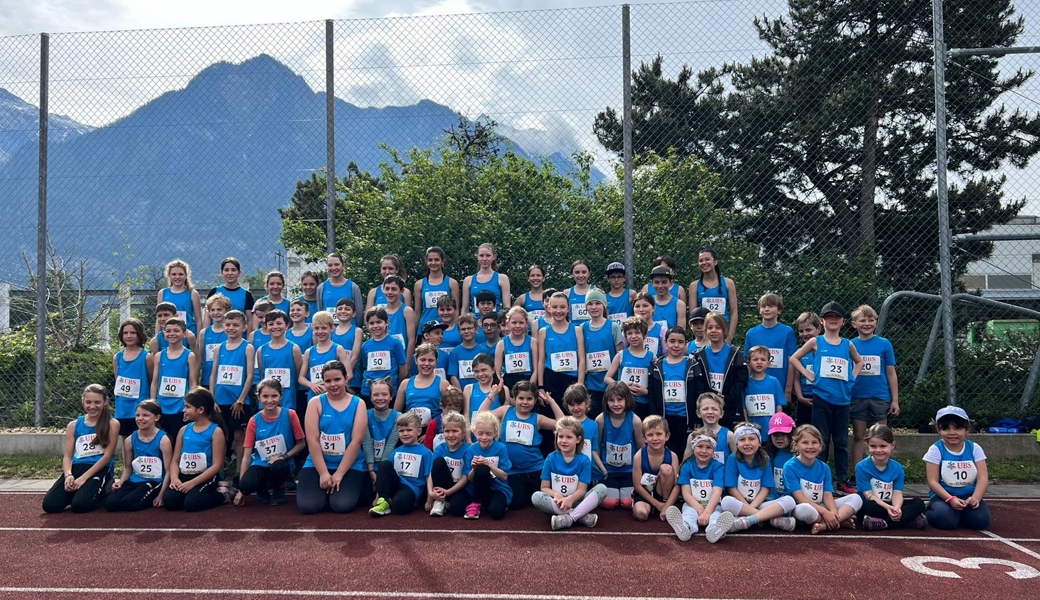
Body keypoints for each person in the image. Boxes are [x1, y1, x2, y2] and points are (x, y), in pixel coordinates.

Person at [790, 301, 863, 495]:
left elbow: (860, 362)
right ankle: (819, 479)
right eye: (829, 318)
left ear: (843, 322)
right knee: (819, 440)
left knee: (840, 441)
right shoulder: (816, 342)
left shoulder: (848, 344)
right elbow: (794, 358)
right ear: (822, 321)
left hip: (843, 400)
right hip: (822, 398)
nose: (833, 321)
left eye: (836, 318)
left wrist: (852, 379)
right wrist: (809, 375)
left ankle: (842, 480)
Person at [296, 361, 368, 514]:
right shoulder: (315, 402)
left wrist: (339, 473)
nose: (333, 384)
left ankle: (339, 491)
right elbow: (312, 440)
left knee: (342, 506)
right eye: (328, 381)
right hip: (318, 463)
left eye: (337, 379)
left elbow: (356, 441)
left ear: (346, 378)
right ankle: (324, 491)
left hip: (349, 465)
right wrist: (323, 473)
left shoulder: (358, 403)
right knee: (308, 507)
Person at [478, 381, 563, 510]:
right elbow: (481, 415)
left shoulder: (538, 418)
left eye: (529, 399)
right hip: (514, 472)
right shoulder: (505, 411)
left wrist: (551, 402)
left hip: (536, 470)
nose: (525, 402)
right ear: (514, 399)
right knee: (517, 503)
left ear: (535, 400)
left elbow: (563, 425)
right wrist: (492, 394)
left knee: (545, 500)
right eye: (521, 398)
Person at [42, 384, 120, 513]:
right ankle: (78, 492)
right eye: (88, 402)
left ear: (105, 402)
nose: (92, 406)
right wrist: (68, 475)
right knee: (50, 506)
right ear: (82, 400)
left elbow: (107, 456)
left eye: (97, 402)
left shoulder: (112, 424)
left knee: (80, 506)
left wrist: (84, 478)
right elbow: (67, 456)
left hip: (99, 468)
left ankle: (103, 488)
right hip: (78, 467)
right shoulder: (73, 425)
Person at [234, 378, 306, 506]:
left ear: (281, 396)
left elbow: (301, 444)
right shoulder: (254, 420)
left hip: (282, 463)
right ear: (259, 397)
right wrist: (241, 490)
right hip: (260, 463)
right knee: (245, 485)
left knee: (279, 466)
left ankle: (279, 489)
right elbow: (246, 456)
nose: (269, 400)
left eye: (274, 396)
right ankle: (262, 488)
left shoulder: (290, 415)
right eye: (265, 396)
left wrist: (283, 457)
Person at [849, 304, 899, 484]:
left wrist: (895, 400)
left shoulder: (884, 344)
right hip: (857, 396)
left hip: (880, 396)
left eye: (871, 320)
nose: (867, 323)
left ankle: (882, 471)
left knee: (881, 436)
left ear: (876, 323)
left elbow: (891, 372)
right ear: (854, 324)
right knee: (859, 436)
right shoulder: (850, 344)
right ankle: (857, 474)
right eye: (863, 320)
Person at [531, 416, 607, 530]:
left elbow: (582, 489)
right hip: (558, 503)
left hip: (577, 502)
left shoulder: (584, 460)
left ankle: (569, 518)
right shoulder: (551, 458)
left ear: (578, 439)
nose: (564, 440)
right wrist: (556, 495)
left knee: (602, 489)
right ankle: (580, 516)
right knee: (536, 497)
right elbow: (544, 488)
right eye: (560, 436)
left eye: (569, 437)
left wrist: (570, 499)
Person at [719, 422, 798, 532]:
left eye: (752, 439)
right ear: (736, 444)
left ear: (759, 442)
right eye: (742, 440)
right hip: (741, 504)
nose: (747, 443)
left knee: (789, 501)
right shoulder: (733, 459)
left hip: (761, 504)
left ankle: (746, 521)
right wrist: (748, 507)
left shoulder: (764, 458)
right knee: (726, 502)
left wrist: (753, 507)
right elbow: (732, 488)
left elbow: (765, 488)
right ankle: (770, 519)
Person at [784, 424, 863, 533]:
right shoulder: (789, 467)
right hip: (801, 507)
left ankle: (826, 525)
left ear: (820, 446)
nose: (810, 446)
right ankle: (839, 521)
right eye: (805, 442)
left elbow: (827, 495)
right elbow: (800, 498)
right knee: (805, 510)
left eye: (814, 442)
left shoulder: (824, 467)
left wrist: (833, 513)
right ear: (795, 445)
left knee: (856, 498)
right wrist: (826, 513)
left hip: (821, 505)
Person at [163, 387, 230, 512]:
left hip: (205, 477)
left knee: (192, 504)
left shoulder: (216, 431)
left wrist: (193, 483)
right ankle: (189, 492)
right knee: (170, 502)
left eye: (187, 407)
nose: (184, 410)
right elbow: (175, 460)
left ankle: (222, 495)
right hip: (184, 475)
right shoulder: (184, 430)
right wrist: (174, 478)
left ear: (200, 409)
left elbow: (217, 465)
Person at [923, 406, 990, 530]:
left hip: (969, 495)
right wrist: (950, 498)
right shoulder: (936, 450)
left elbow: (983, 478)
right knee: (947, 521)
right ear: (938, 429)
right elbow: (932, 481)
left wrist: (976, 498)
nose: (952, 433)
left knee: (981, 522)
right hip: (943, 497)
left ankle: (963, 514)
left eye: (958, 428)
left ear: (967, 430)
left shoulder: (975, 448)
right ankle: (926, 511)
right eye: (946, 428)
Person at [665, 428, 734, 543]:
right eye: (700, 446)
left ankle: (715, 530)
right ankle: (685, 527)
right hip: (693, 504)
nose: (704, 451)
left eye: (708, 447)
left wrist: (707, 512)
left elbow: (717, 491)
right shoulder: (687, 466)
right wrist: (699, 508)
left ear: (714, 450)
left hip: (713, 505)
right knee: (689, 514)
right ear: (693, 447)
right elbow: (686, 493)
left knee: (716, 515)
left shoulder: (718, 466)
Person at [104, 399, 172, 511]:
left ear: (156, 417)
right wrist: (121, 482)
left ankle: (149, 496)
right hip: (135, 480)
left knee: (129, 503)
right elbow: (128, 467)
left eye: (145, 415)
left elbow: (169, 470)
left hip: (154, 482)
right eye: (138, 415)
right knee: (110, 503)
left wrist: (161, 495)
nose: (140, 419)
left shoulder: (163, 440)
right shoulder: (130, 440)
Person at [856, 423, 926, 530]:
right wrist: (888, 508)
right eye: (873, 446)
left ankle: (884, 523)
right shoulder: (861, 467)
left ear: (892, 445)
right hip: (874, 505)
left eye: (883, 446)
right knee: (866, 505)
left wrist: (897, 508)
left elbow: (897, 493)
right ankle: (907, 521)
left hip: (890, 504)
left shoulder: (897, 468)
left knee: (919, 504)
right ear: (867, 445)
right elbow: (868, 495)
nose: (878, 450)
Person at [209, 309, 255, 464]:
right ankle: (219, 471)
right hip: (221, 400)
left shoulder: (247, 347)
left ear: (244, 327)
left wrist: (241, 399)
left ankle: (239, 471)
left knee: (238, 435)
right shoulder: (219, 348)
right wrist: (212, 399)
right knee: (221, 436)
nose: (231, 328)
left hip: (239, 401)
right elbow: (213, 374)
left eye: (236, 325)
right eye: (228, 324)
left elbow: (250, 375)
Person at [370, 412, 434, 516]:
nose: (405, 434)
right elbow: (384, 474)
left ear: (419, 431)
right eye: (401, 431)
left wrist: (429, 500)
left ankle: (395, 502)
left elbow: (429, 477)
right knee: (384, 464)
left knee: (400, 506)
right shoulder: (396, 451)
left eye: (409, 430)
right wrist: (377, 497)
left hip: (412, 489)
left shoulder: (426, 453)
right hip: (396, 484)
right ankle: (384, 500)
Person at [689, 312, 747, 429]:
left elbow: (741, 380)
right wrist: (713, 397)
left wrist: (727, 397)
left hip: (730, 407)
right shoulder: (698, 356)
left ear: (725, 330)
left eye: (718, 327)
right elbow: (697, 383)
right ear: (705, 330)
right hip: (707, 407)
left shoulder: (734, 354)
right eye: (710, 328)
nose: (714, 330)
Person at [648, 326, 696, 457]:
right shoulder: (657, 366)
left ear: (686, 344)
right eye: (672, 341)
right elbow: (652, 394)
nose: (676, 345)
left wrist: (695, 418)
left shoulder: (693, 365)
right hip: (664, 418)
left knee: (684, 453)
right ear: (665, 342)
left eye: (680, 342)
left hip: (685, 419)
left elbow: (698, 392)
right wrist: (655, 416)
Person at [596, 381, 644, 510]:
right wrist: (598, 471)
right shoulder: (600, 420)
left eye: (620, 400)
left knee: (628, 503)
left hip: (629, 471)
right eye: (611, 400)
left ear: (627, 400)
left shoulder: (635, 420)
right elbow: (597, 447)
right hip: (608, 471)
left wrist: (640, 473)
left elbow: (641, 449)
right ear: (606, 402)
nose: (616, 404)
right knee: (609, 503)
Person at [150, 317, 199, 437]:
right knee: (163, 439)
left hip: (180, 407)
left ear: (185, 334)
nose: (172, 334)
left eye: (176, 331)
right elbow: (155, 381)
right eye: (168, 331)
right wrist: (153, 402)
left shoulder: (189, 355)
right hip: (162, 406)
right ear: (164, 333)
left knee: (179, 438)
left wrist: (190, 406)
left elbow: (193, 383)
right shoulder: (159, 356)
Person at [537, 291, 585, 410]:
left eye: (562, 307)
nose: (559, 311)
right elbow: (541, 361)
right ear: (549, 308)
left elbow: (582, 359)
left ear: (568, 308)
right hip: (551, 379)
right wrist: (540, 386)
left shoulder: (577, 330)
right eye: (555, 307)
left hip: (571, 380)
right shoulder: (543, 332)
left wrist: (580, 383)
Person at [744, 293, 797, 399]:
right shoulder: (751, 333)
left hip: (780, 388)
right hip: (756, 390)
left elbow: (791, 362)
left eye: (771, 306)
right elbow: (748, 363)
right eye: (763, 306)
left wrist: (788, 389)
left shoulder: (787, 332)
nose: (767, 309)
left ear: (779, 310)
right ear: (759, 310)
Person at [462, 410, 512, 520]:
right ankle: (477, 503)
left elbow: (504, 476)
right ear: (474, 432)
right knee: (456, 507)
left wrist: (489, 464)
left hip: (498, 488)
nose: (484, 437)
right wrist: (474, 469)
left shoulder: (501, 448)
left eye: (488, 434)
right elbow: (469, 478)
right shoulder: (471, 450)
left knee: (497, 514)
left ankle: (490, 504)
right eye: (480, 433)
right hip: (477, 489)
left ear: (495, 432)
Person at [256, 310, 304, 423]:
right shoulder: (261, 350)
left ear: (287, 325)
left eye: (279, 323)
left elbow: (298, 374)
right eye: (271, 324)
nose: (275, 327)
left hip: (288, 401)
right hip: (266, 403)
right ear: (266, 327)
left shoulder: (294, 348)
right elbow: (263, 374)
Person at [631, 415, 680, 523]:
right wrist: (656, 504)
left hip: (662, 493)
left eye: (659, 434)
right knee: (641, 514)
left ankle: (665, 505)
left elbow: (677, 485)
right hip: (645, 493)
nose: (655, 438)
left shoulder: (673, 456)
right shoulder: (639, 456)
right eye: (650, 435)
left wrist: (666, 506)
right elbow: (637, 486)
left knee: (666, 468)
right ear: (644, 438)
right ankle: (656, 508)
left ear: (667, 436)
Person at [582, 289, 623, 416]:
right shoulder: (582, 328)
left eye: (597, 303)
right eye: (590, 304)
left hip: (610, 383)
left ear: (604, 305)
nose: (594, 307)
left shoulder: (613, 326)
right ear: (586, 307)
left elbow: (621, 355)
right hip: (592, 384)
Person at [605, 317, 653, 419]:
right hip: (624, 404)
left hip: (644, 404)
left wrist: (645, 391)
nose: (633, 336)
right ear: (625, 336)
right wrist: (622, 386)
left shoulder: (652, 357)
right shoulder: (621, 355)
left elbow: (656, 385)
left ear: (645, 335)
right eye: (630, 333)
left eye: (637, 332)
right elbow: (607, 378)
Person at [357, 307, 408, 403]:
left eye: (379, 322)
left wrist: (396, 386)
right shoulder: (365, 346)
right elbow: (365, 366)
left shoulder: (395, 343)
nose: (375, 326)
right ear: (367, 325)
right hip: (368, 391)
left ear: (387, 322)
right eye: (372, 323)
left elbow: (403, 369)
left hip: (389, 391)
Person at [112, 318, 152, 438]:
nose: (129, 336)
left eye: (133, 332)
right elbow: (117, 379)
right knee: (126, 439)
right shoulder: (117, 357)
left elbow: (151, 380)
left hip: (140, 406)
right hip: (123, 407)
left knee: (142, 437)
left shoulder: (147, 357)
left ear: (139, 334)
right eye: (125, 333)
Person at [428, 410, 472, 517]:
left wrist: (448, 492)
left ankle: (447, 501)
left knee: (457, 509)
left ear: (463, 433)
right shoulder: (440, 449)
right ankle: (440, 501)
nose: (451, 435)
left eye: (455, 431)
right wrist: (430, 494)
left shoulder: (469, 450)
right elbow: (430, 474)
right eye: (447, 431)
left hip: (461, 488)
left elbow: (465, 478)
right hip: (444, 486)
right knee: (438, 462)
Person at [689, 249, 738, 343]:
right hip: (704, 335)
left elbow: (734, 312)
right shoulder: (694, 286)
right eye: (701, 260)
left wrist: (729, 337)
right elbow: (693, 314)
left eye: (707, 259)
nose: (704, 263)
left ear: (715, 261)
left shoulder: (728, 283)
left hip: (723, 333)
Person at [563, 384, 607, 483]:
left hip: (587, 471)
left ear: (587, 403)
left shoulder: (593, 425)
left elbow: (594, 451)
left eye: (579, 404)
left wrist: (601, 469)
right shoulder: (565, 424)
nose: (575, 408)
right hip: (569, 471)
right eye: (572, 404)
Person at [397, 343, 450, 427]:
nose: (426, 364)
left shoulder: (443, 384)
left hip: (434, 432)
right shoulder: (405, 384)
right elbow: (397, 414)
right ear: (416, 360)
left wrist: (430, 433)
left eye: (431, 360)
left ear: (436, 362)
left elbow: (449, 415)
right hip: (410, 433)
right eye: (422, 360)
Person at [364, 378, 400, 492]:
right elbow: (366, 443)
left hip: (387, 465)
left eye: (384, 394)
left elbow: (391, 444)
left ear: (391, 397)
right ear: (370, 397)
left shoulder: (398, 417)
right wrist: (371, 470)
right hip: (367, 464)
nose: (380, 398)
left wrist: (381, 472)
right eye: (376, 395)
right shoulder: (364, 415)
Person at [682, 392, 735, 467]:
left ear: (721, 414)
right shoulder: (693, 436)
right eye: (705, 409)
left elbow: (738, 461)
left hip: (721, 477)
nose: (710, 412)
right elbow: (685, 463)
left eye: (714, 409)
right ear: (698, 413)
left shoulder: (729, 435)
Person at [743, 345, 787, 435]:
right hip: (752, 429)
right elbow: (744, 407)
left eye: (763, 359)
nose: (759, 362)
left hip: (771, 428)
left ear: (769, 363)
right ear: (748, 362)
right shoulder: (745, 383)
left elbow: (779, 406)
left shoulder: (774, 382)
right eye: (755, 359)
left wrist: (777, 425)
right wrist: (747, 424)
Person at [415, 247, 460, 334]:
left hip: (446, 328)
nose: (433, 263)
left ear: (443, 261)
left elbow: (456, 310)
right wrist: (416, 332)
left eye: (436, 260)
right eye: (430, 260)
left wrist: (454, 329)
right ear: (426, 262)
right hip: (425, 329)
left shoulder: (452, 283)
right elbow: (417, 312)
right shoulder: (419, 284)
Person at [204, 257, 255, 331]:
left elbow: (250, 320)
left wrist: (249, 338)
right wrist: (205, 334)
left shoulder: (246, 295)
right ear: (222, 272)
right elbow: (207, 316)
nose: (230, 273)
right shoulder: (214, 291)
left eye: (233, 270)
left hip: (238, 337)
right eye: (226, 270)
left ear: (239, 273)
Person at [496, 306, 537, 391]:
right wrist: (504, 390)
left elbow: (536, 370)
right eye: (514, 323)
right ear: (508, 323)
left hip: (528, 381)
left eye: (521, 323)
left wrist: (530, 388)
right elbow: (497, 372)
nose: (517, 326)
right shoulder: (501, 344)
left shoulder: (533, 342)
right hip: (509, 383)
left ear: (526, 323)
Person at [157, 259, 202, 336]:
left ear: (186, 275)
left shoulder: (192, 293)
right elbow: (158, 318)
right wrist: (157, 337)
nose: (177, 277)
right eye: (174, 274)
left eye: (180, 274)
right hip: (169, 335)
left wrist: (198, 339)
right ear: (169, 276)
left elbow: (199, 320)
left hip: (187, 335)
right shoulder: (163, 293)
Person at [792, 312, 822, 426]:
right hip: (805, 397)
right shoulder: (799, 354)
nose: (805, 334)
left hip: (822, 396)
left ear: (818, 329)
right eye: (801, 331)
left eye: (808, 330)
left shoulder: (825, 349)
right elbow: (796, 379)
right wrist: (800, 397)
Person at [462, 243, 510, 314]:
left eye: (488, 255)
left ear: (494, 257)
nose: (484, 259)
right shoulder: (468, 280)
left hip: (495, 321)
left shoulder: (502, 278)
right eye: (481, 255)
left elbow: (507, 308)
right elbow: (465, 309)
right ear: (477, 257)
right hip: (475, 323)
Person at [317, 253, 364, 325]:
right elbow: (320, 311)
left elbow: (359, 313)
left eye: (336, 264)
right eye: (330, 265)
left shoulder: (353, 287)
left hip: (349, 331)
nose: (333, 268)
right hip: (329, 333)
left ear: (343, 266)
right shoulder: (321, 288)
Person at [463, 352, 509, 424]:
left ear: (493, 370)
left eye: (484, 370)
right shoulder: (469, 389)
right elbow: (466, 416)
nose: (480, 374)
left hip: (494, 433)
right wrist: (468, 435)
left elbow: (504, 418)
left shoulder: (503, 390)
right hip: (473, 432)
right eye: (476, 371)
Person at [198, 294, 230, 391]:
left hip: (225, 380)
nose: (216, 313)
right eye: (212, 310)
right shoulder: (204, 333)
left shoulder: (231, 332)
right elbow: (200, 358)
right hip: (207, 379)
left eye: (219, 310)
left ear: (227, 311)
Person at [382, 275, 417, 358]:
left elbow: (411, 340)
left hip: (402, 357)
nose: (390, 292)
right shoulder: (380, 311)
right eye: (387, 288)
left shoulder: (407, 311)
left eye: (394, 289)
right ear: (383, 289)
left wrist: (408, 363)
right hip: (386, 356)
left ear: (401, 291)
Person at [447, 314, 483, 393]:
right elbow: (453, 376)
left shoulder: (483, 350)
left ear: (476, 329)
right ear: (459, 331)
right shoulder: (455, 352)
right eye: (463, 329)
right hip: (462, 393)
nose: (466, 331)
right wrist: (462, 394)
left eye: (469, 328)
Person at [767, 412, 796, 499]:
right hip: (774, 497)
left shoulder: (799, 455)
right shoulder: (769, 454)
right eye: (775, 434)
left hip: (795, 497)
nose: (779, 438)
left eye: (783, 434)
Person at [650, 265, 686, 331]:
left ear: (670, 283)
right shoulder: (648, 303)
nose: (660, 286)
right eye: (656, 282)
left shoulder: (679, 304)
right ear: (652, 283)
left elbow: (681, 332)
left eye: (664, 282)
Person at [631, 292, 664, 357]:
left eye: (645, 306)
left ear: (653, 308)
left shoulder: (661, 330)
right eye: (637, 306)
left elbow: (666, 354)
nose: (641, 309)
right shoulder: (627, 330)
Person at [604, 261, 635, 328]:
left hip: (628, 331)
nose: (616, 280)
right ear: (608, 279)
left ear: (624, 278)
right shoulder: (604, 297)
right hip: (611, 331)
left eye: (619, 277)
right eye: (613, 277)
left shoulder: (631, 294)